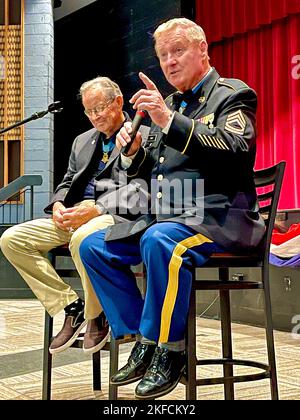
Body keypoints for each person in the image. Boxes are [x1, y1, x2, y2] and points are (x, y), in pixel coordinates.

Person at [79, 18, 265, 399]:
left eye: (177, 51)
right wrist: (133, 153)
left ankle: (169, 350)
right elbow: (154, 174)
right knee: (93, 247)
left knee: (159, 240)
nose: (169, 61)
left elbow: (236, 148)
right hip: (169, 217)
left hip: (219, 218)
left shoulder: (232, 94)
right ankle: (142, 340)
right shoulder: (170, 103)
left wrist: (169, 121)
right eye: (163, 55)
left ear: (202, 49)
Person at [0, 76, 149, 356]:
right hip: (76, 213)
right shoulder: (82, 140)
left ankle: (97, 314)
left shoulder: (144, 134)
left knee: (82, 237)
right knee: (12, 239)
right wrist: (58, 204)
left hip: (116, 216)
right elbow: (68, 181)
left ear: (118, 102)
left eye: (100, 108)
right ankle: (71, 306)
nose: (94, 117)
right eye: (89, 111)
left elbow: (141, 190)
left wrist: (96, 208)